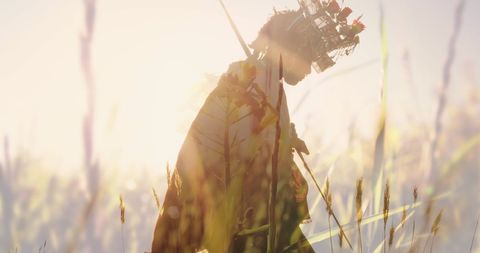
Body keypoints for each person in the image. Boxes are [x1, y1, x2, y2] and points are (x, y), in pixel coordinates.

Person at [152, 2, 363, 252]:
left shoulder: (274, 87)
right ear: (290, 48)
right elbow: (221, 144)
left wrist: (287, 138)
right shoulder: (246, 79)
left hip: (268, 222)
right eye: (308, 59)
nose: (309, 69)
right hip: (248, 226)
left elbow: (265, 137)